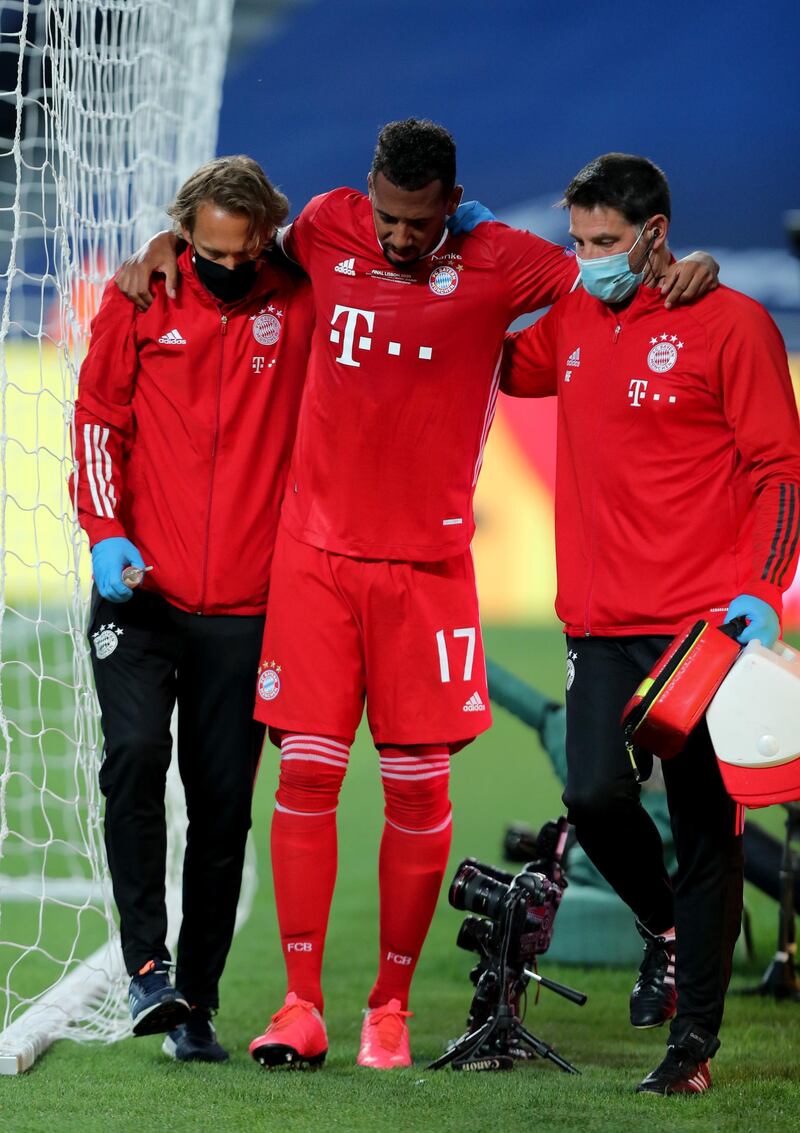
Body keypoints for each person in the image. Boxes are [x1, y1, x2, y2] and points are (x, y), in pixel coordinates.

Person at [118, 119, 718, 1071]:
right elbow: (228, 256)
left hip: (429, 572)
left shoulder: (504, 260)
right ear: (368, 190)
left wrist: (687, 265)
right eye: (388, 218)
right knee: (308, 776)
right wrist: (161, 246)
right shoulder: (322, 226)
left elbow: (617, 286)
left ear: (452, 202)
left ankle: (387, 1010)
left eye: (418, 221)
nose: (398, 238)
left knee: (414, 786)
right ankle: (299, 1005)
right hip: (313, 558)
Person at [501, 152, 800, 1095]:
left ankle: (693, 1048)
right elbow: (495, 355)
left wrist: (761, 589)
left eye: (607, 242)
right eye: (579, 240)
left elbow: (780, 476)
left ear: (657, 234)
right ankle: (667, 930)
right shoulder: (574, 318)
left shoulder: (733, 325)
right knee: (592, 796)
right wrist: (463, 244)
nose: (589, 258)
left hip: (699, 630)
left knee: (709, 827)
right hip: (598, 623)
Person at [75, 155, 313, 1062]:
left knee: (221, 808)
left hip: (250, 605)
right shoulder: (141, 298)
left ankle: (197, 1003)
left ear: (265, 238)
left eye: (241, 252)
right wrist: (104, 530)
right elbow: (99, 416)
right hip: (139, 588)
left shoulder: (300, 299)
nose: (224, 267)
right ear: (186, 235)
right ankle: (145, 967)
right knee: (135, 756)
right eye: (207, 251)